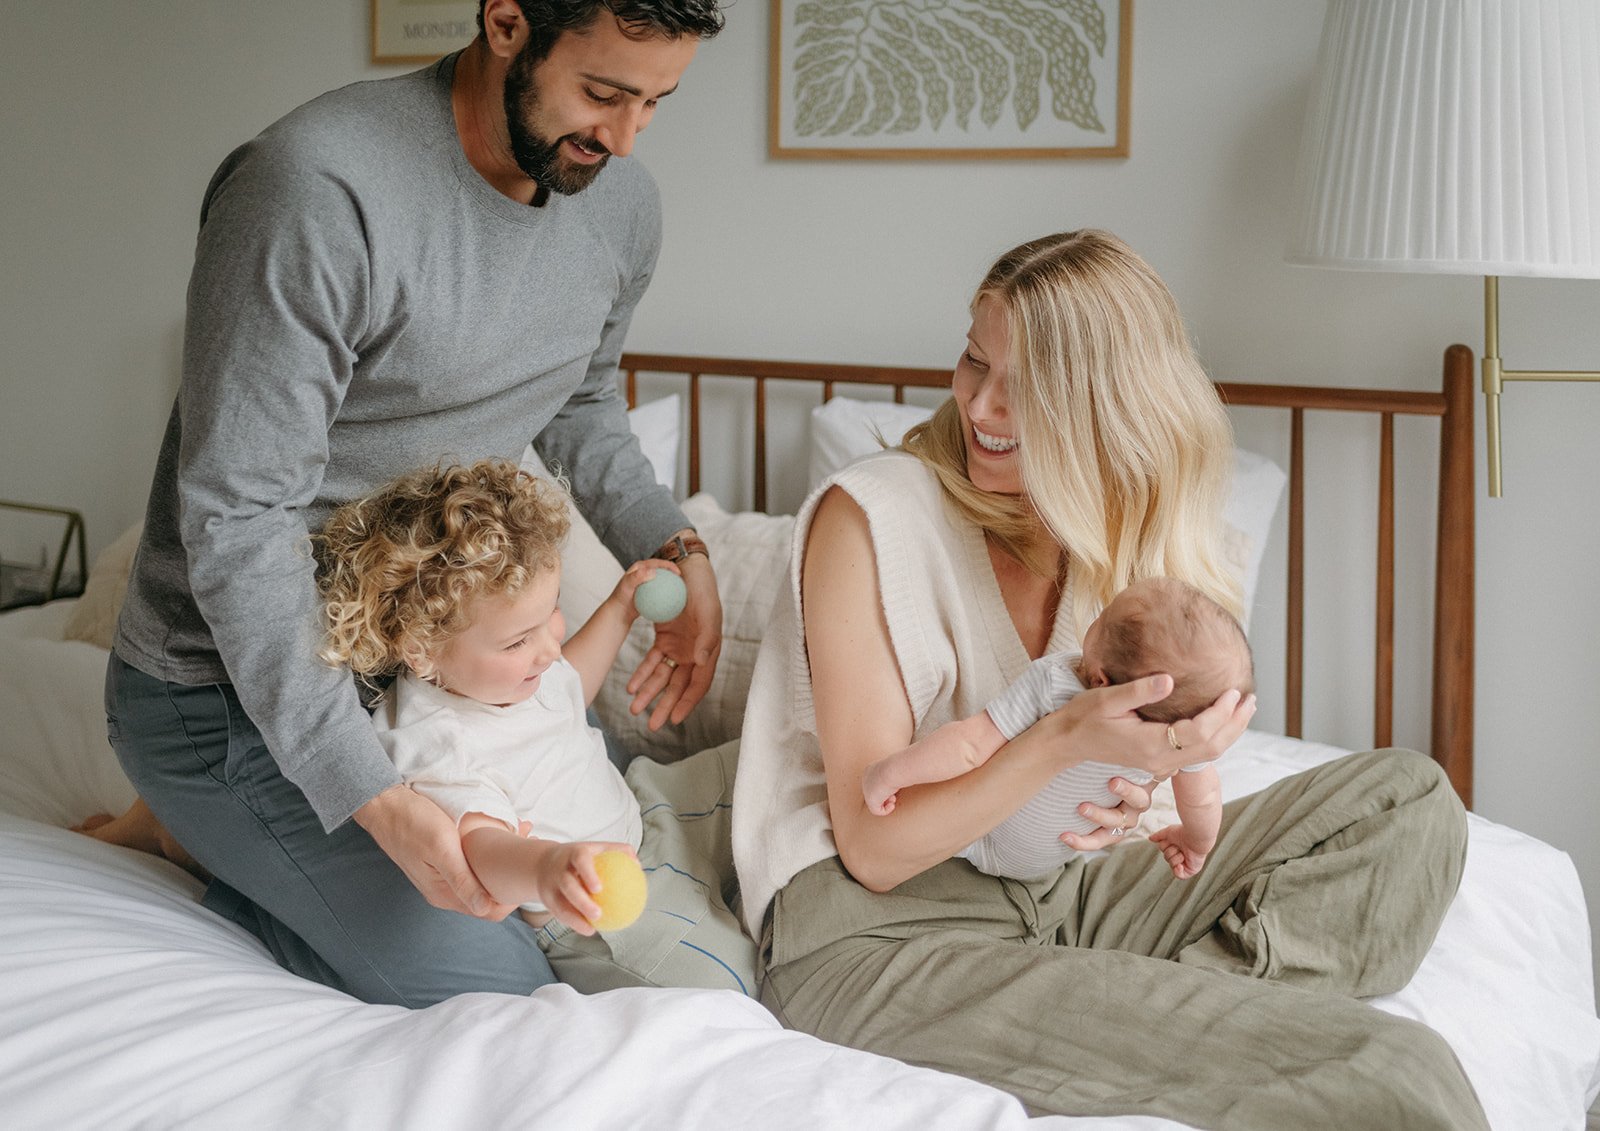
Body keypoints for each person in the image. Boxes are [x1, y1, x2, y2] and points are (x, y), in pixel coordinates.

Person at [730, 231, 1487, 1127]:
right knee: (1397, 1071)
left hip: (1059, 894)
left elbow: (1147, 779)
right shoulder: (872, 516)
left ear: (1108, 408)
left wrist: (1158, 773)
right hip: (880, 931)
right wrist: (1063, 740)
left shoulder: (1113, 544)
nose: (981, 402)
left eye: (1029, 385)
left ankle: (1142, 1006)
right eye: (975, 360)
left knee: (1409, 800)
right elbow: (875, 850)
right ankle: (1164, 1015)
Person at [98, 0, 728, 1008]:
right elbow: (235, 520)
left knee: (582, 925)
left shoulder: (620, 208)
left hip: (432, 676)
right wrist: (377, 800)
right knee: (505, 994)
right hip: (224, 691)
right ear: (507, 22)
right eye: (602, 93)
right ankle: (204, 824)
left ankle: (228, 838)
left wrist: (678, 546)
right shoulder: (313, 189)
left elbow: (579, 399)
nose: (620, 137)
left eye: (655, 103)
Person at [314, 458, 753, 993]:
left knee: (763, 768)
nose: (548, 649)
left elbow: (569, 690)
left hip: (646, 809)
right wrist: (549, 869)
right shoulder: (434, 741)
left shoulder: (506, 673)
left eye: (551, 617)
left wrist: (619, 609)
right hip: (593, 909)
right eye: (519, 640)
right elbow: (481, 848)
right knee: (729, 985)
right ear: (421, 649)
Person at [861, 576, 1253, 881]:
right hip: (1047, 863)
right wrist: (1195, 844)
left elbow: (969, 744)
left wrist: (890, 772)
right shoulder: (1174, 741)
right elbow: (1203, 798)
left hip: (978, 836)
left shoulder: (1057, 682)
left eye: (1104, 617)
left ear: (1100, 681)